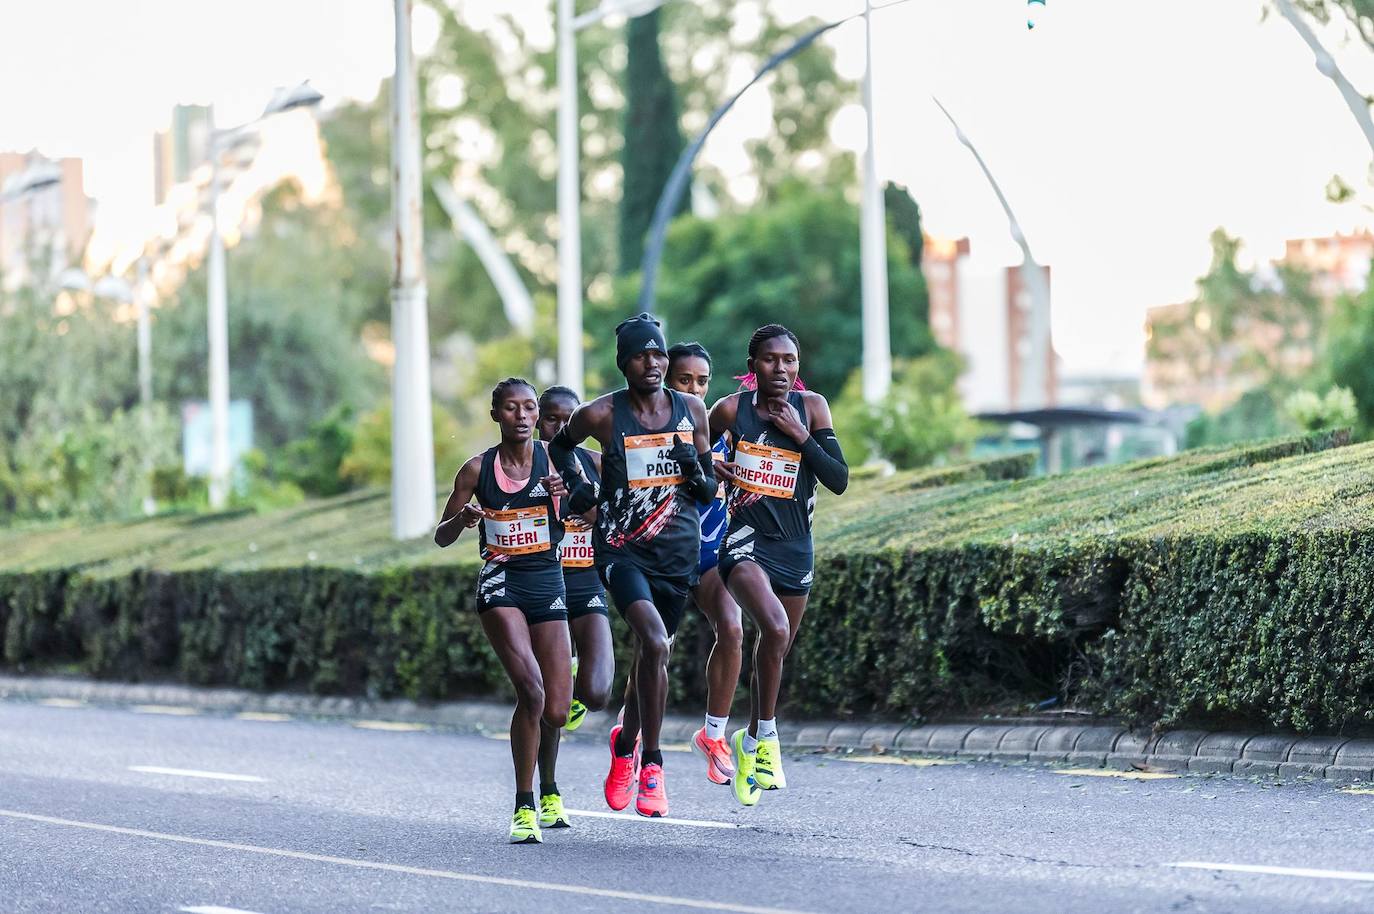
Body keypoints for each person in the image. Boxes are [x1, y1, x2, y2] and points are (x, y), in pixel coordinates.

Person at [547, 313, 715, 818]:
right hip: (622, 551)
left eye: (659, 353)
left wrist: (693, 471)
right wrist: (579, 487)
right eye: (642, 354)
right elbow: (558, 447)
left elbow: (707, 491)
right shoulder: (601, 415)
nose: (654, 363)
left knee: (651, 656)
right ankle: (653, 766)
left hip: (677, 555)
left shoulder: (691, 411)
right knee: (656, 642)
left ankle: (624, 746)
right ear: (624, 362)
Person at [708, 325, 849, 807]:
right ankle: (769, 737)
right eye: (771, 360)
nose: (782, 368)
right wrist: (711, 468)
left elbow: (838, 479)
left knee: (777, 646)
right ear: (753, 366)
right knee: (772, 627)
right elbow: (692, 459)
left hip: (796, 546)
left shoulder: (814, 408)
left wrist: (800, 435)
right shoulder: (729, 410)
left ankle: (749, 741)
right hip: (745, 542)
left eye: (790, 360)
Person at [435, 378, 573, 844]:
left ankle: (551, 787)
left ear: (538, 415)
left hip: (547, 581)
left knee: (556, 708)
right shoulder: (477, 469)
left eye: (529, 408)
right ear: (495, 415)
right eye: (511, 408)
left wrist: (565, 495)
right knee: (531, 693)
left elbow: (595, 515)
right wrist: (464, 518)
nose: (521, 415)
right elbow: (441, 535)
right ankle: (524, 806)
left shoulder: (558, 462)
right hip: (502, 585)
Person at [530, 385, 615, 827]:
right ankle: (547, 790)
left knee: (597, 692)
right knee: (553, 707)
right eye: (551, 419)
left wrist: (591, 507)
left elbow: (620, 519)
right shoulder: (524, 465)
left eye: (570, 420)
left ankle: (577, 673)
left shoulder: (596, 464)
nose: (560, 428)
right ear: (538, 421)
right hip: (545, 583)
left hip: (586, 579)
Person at [665, 341, 740, 787]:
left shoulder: (723, 428)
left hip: (710, 554)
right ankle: (630, 736)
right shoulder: (654, 428)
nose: (695, 389)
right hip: (667, 554)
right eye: (684, 380)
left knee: (731, 628)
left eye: (702, 381)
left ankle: (713, 735)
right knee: (658, 648)